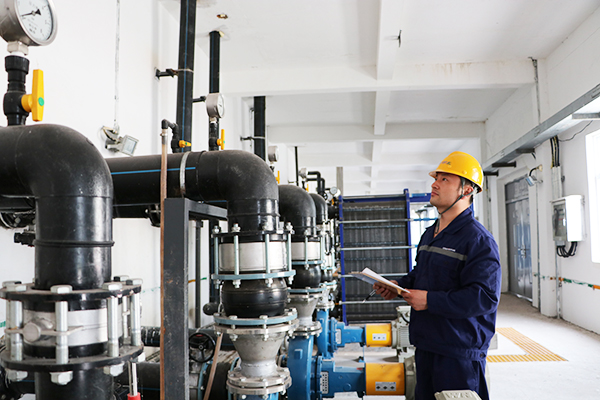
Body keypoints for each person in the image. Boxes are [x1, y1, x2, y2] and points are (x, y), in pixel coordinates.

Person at [375, 151, 501, 400]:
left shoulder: (478, 240)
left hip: (458, 352)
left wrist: (429, 301)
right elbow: (423, 276)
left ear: (467, 190)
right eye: (436, 178)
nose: (434, 184)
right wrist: (397, 286)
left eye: (445, 180)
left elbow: (484, 298)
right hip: (426, 344)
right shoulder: (430, 233)